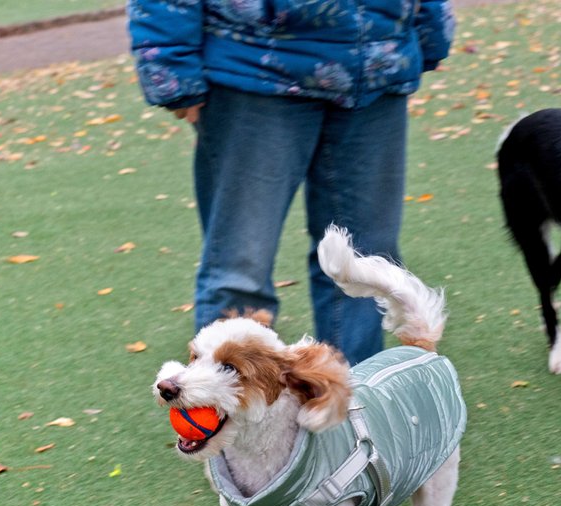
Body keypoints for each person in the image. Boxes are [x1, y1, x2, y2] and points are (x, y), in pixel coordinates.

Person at [128, 0, 454, 365]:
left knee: (362, 265)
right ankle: (225, 414)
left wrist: (429, 27)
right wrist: (170, 70)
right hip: (255, 67)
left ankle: (357, 408)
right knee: (241, 268)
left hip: (377, 65)